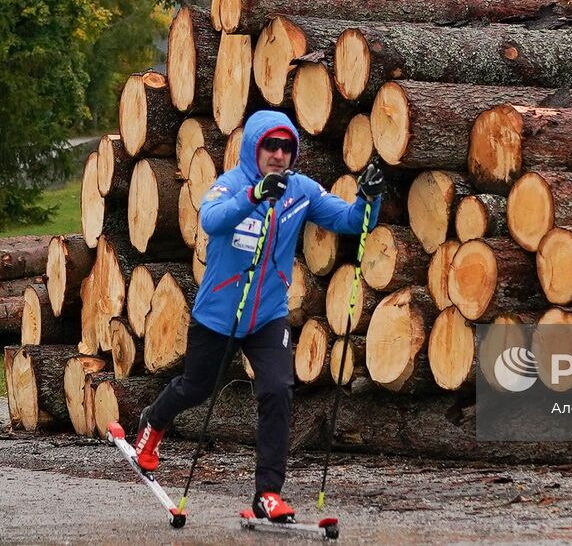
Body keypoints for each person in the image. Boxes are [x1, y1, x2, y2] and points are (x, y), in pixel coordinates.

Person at [131, 109, 384, 523]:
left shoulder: (300, 190)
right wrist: (254, 196)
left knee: (277, 390)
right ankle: (152, 422)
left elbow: (353, 221)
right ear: (254, 147)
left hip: (267, 315)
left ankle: (267, 493)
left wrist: (371, 195)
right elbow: (210, 220)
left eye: (287, 147)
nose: (279, 154)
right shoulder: (230, 185)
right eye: (271, 145)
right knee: (196, 389)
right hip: (218, 315)